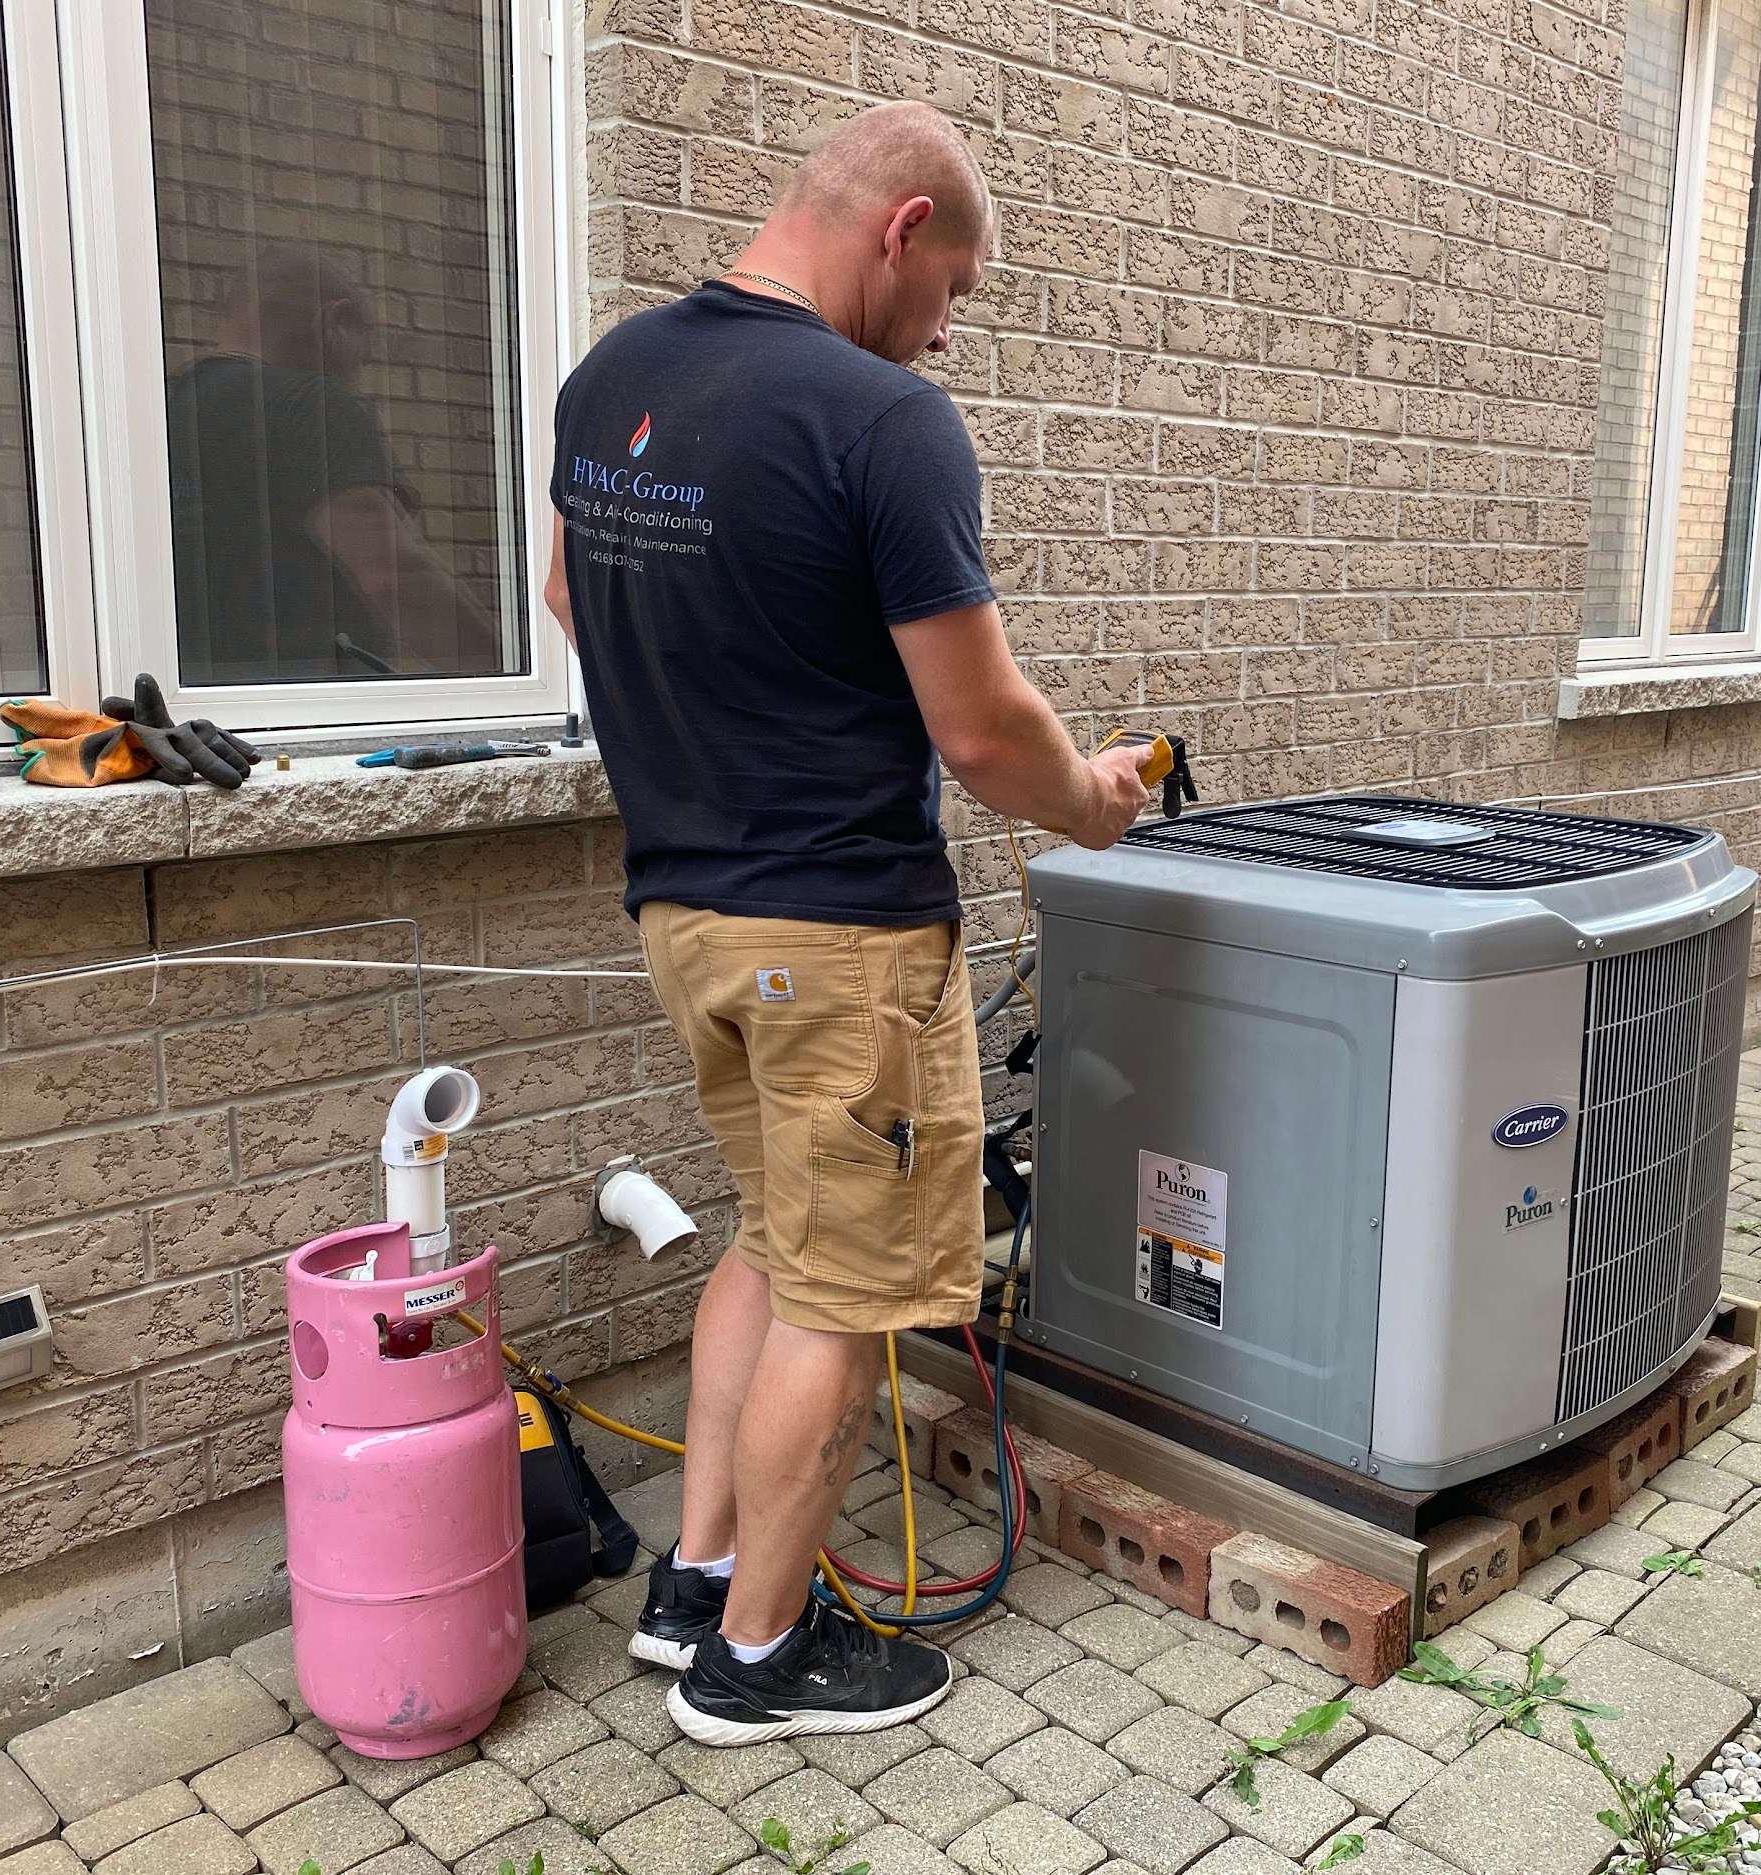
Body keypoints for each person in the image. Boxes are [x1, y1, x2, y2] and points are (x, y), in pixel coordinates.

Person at [542, 100, 1156, 1747]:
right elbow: (978, 730)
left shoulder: (611, 380)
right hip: (837, 941)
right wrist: (1091, 798)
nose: (947, 325)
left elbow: (565, 599)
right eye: (951, 284)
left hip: (685, 912)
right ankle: (760, 1662)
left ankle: (693, 1588)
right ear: (898, 230)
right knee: (843, 1290)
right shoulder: (884, 420)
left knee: (775, 1236)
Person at [165, 248, 499, 682]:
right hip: (317, 703)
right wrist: (508, 678)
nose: (359, 368)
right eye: (365, 351)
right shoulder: (309, 404)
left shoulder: (165, 411)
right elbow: (395, 576)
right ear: (332, 321)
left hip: (205, 722)